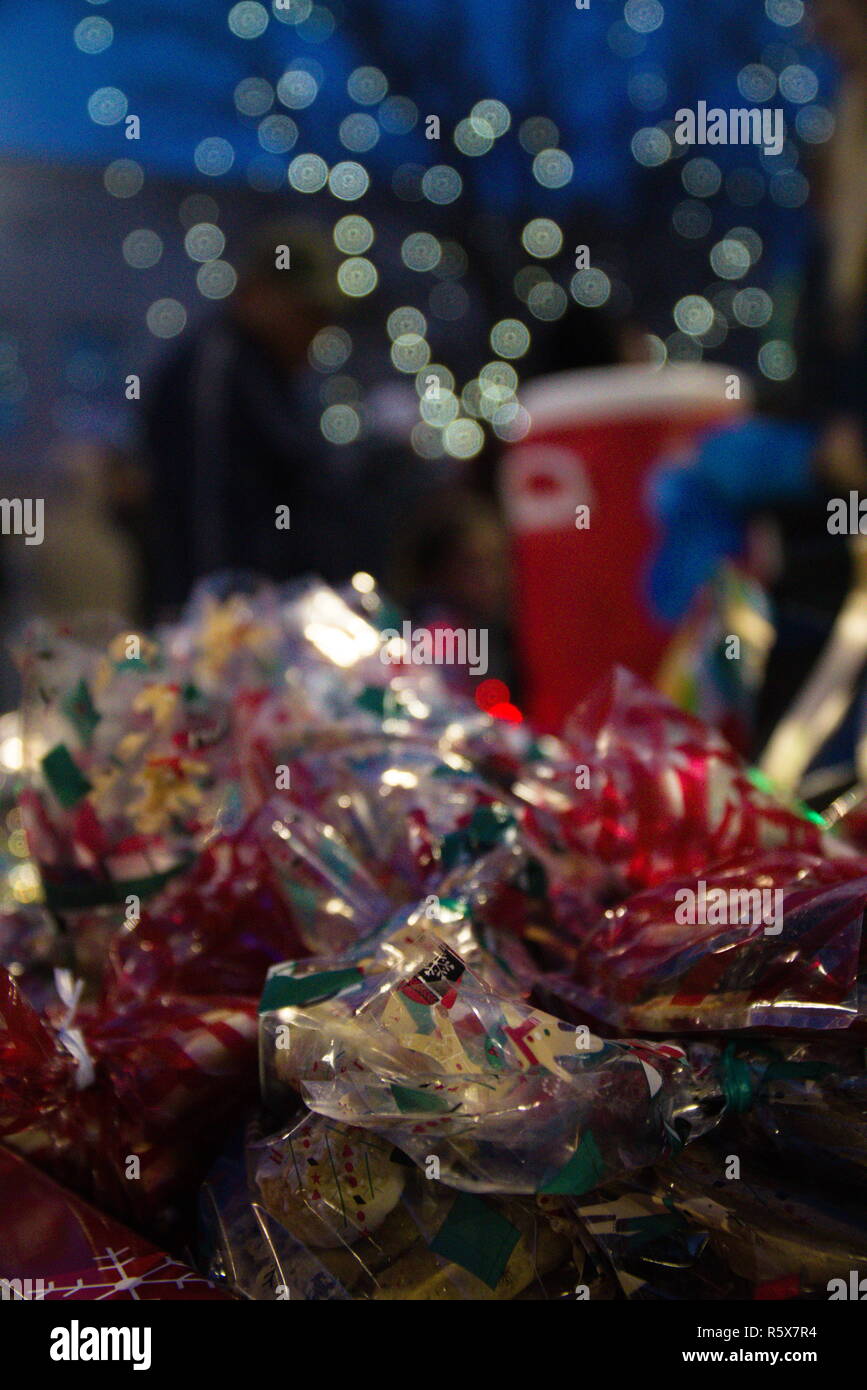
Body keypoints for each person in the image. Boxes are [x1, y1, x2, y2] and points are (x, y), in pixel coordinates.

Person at [141, 220, 351, 618]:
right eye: (307, 313)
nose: (316, 332)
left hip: (273, 626)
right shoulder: (216, 372)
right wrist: (222, 627)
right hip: (232, 632)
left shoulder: (269, 378)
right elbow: (205, 509)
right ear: (256, 294)